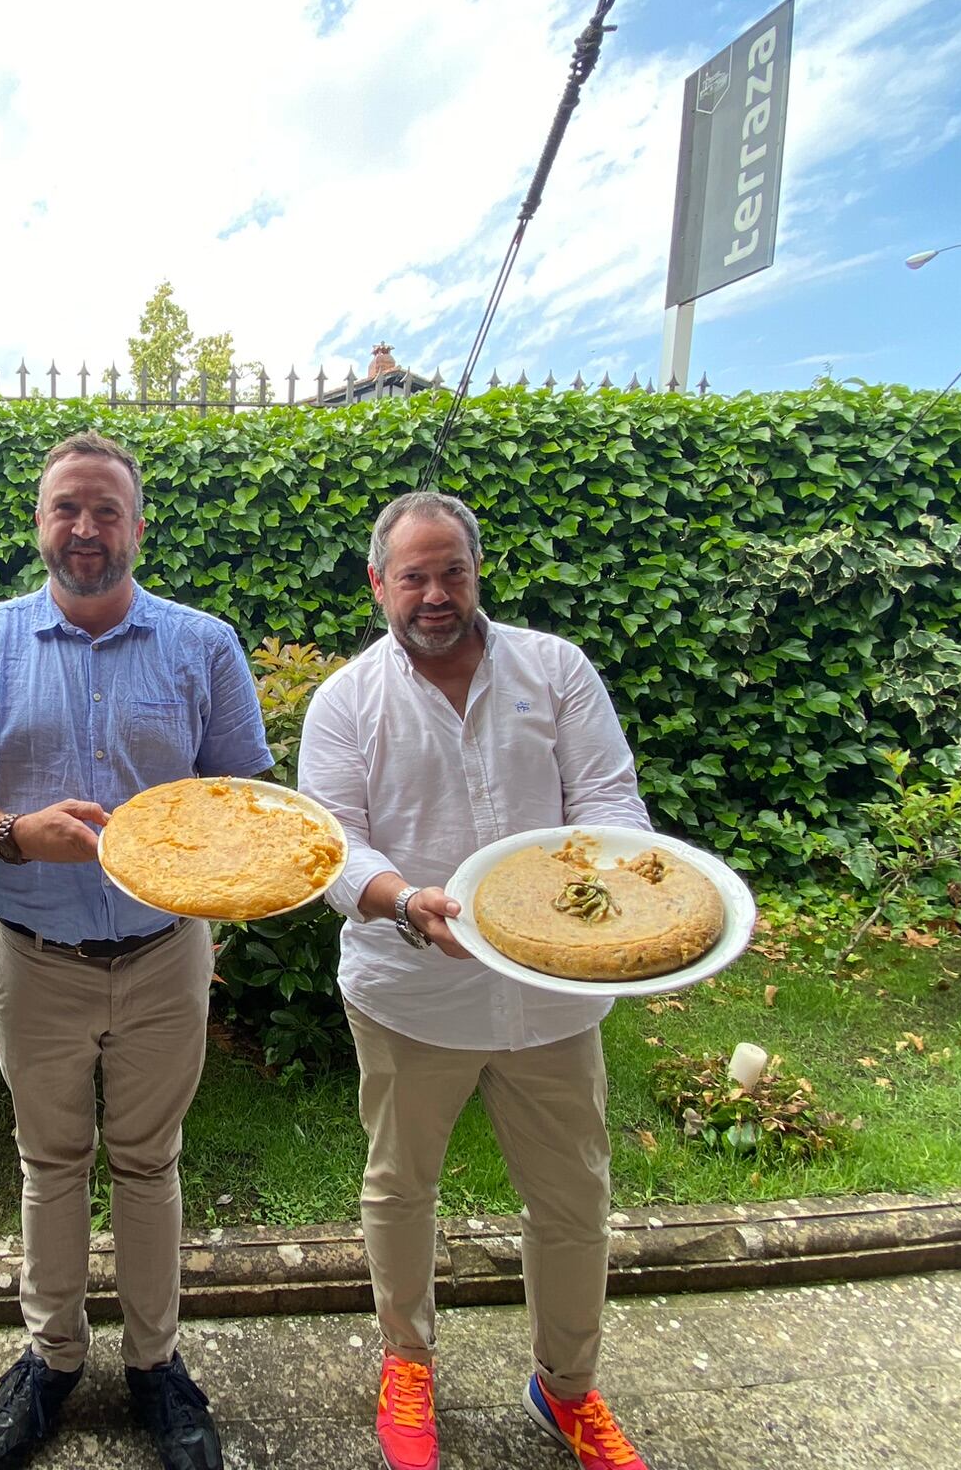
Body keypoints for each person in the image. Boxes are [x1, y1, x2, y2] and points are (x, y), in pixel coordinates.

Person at [0, 430, 272, 1470]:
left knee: (150, 1163)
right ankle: (51, 1358)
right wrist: (16, 831)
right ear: (39, 523)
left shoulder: (202, 643)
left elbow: (246, 796)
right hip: (34, 953)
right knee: (49, 1161)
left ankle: (156, 1366)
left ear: (137, 526)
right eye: (66, 508)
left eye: (106, 510)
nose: (85, 529)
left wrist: (215, 861)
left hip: (164, 956)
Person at [297, 491, 655, 1470]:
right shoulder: (345, 702)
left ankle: (566, 1388)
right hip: (410, 993)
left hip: (550, 996)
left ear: (474, 571)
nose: (434, 593)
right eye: (411, 575)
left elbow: (608, 798)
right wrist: (403, 900)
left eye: (450, 569)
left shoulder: (554, 670)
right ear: (377, 584)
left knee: (574, 1200)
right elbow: (330, 848)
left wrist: (592, 906)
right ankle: (405, 1363)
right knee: (400, 1189)